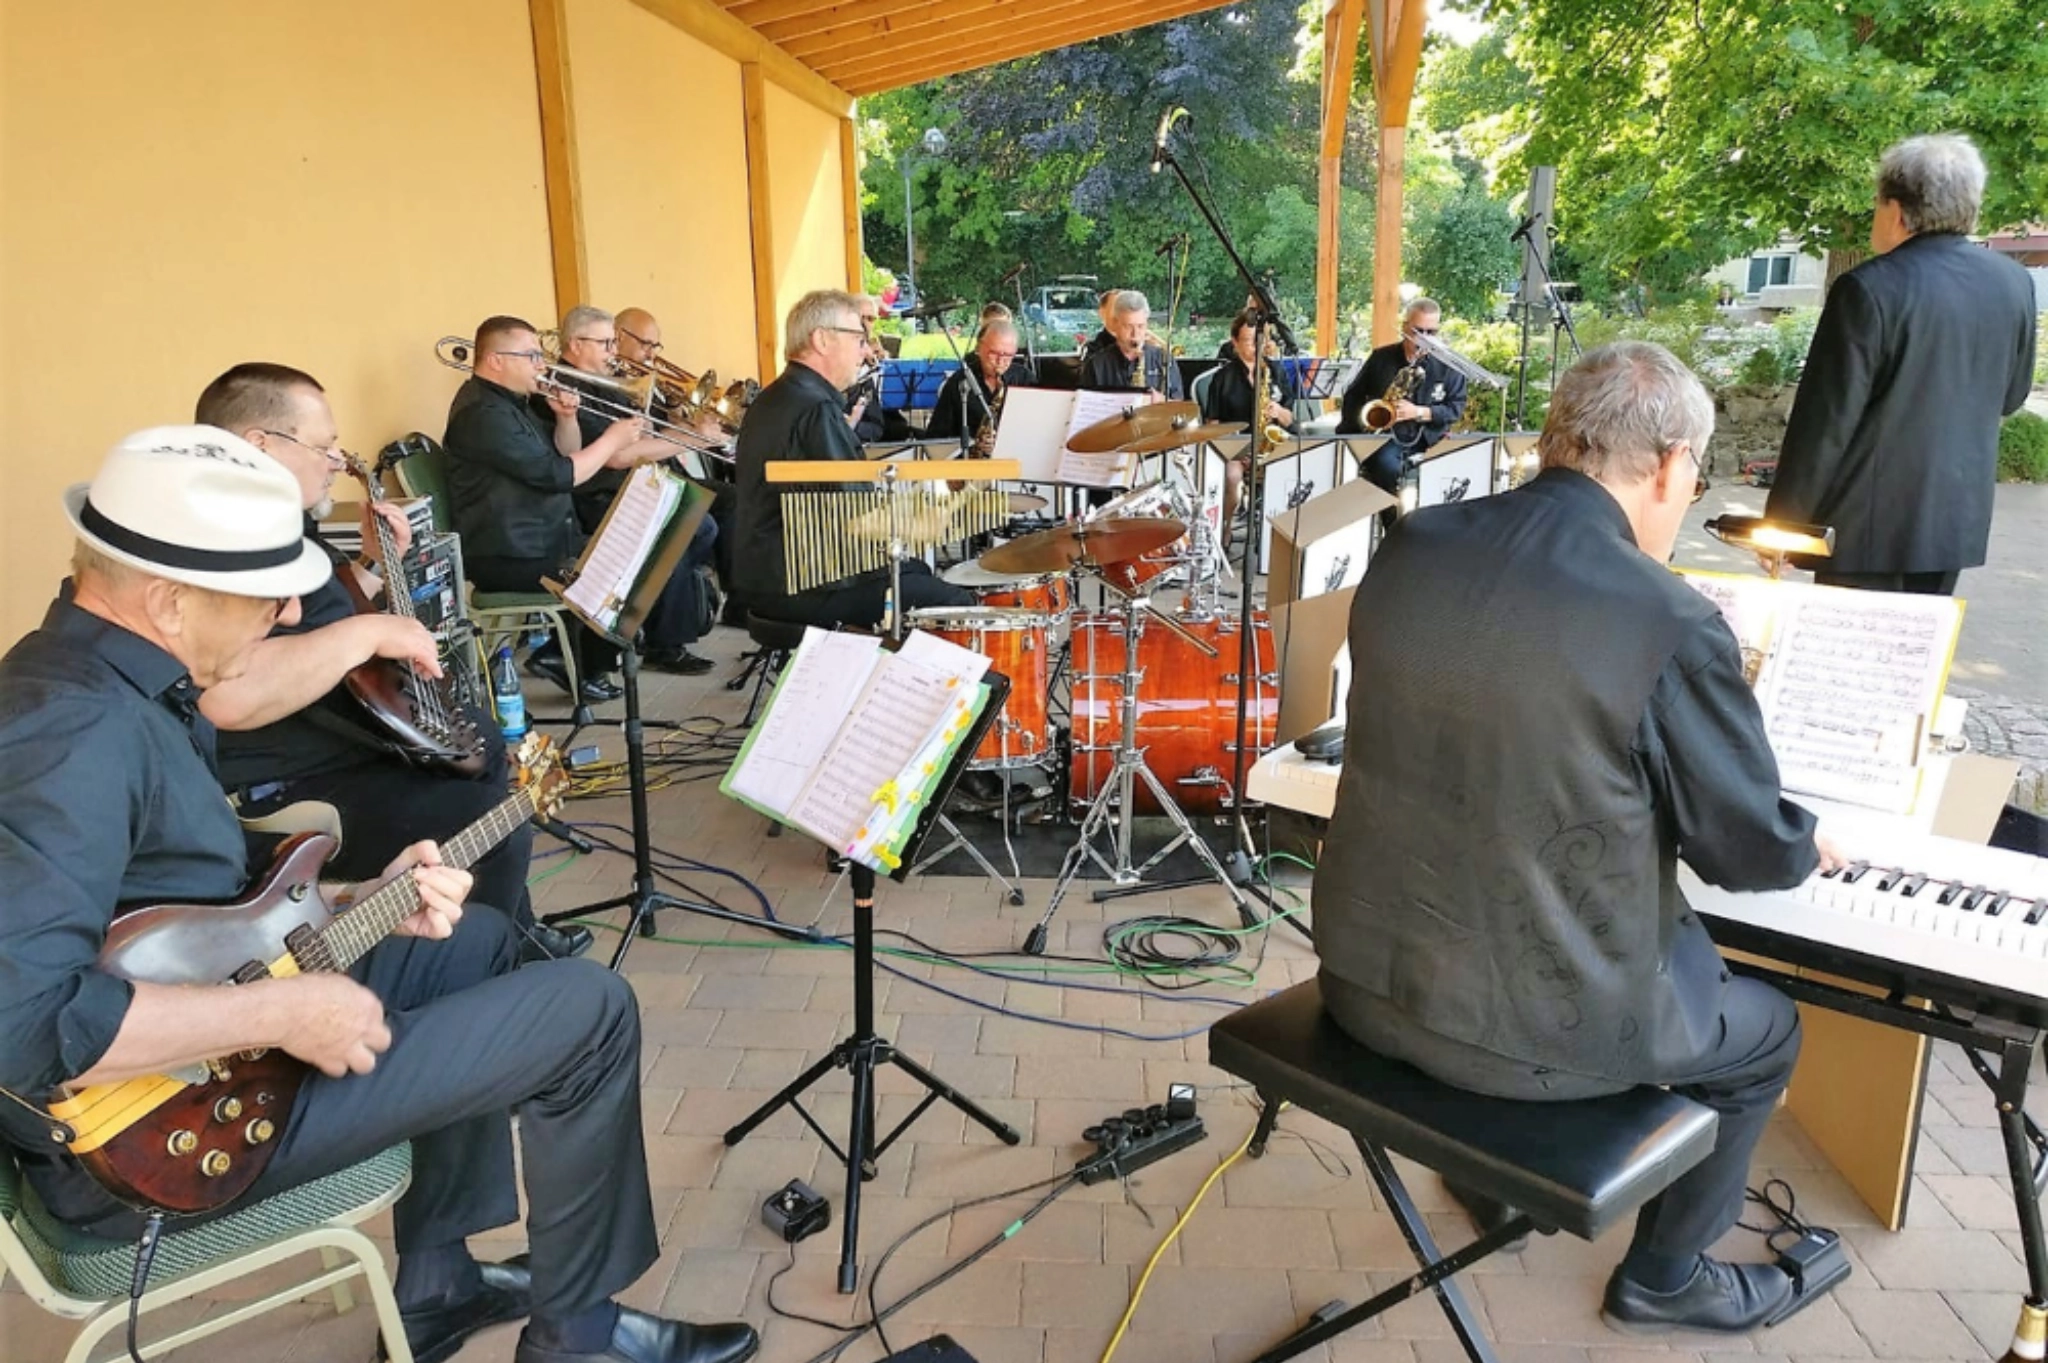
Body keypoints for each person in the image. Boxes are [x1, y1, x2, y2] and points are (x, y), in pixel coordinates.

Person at [0, 428, 758, 1363]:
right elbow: (21, 1023)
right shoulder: (68, 732)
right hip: (155, 1137)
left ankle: (437, 1282)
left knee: (474, 942)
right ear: (167, 599)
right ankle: (580, 1341)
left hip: (208, 1039)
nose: (289, 613)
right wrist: (290, 1009)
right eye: (267, 595)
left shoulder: (120, 681)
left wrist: (358, 895)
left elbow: (175, 897)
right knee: (590, 1011)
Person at [1314, 343, 1846, 1334]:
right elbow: (1744, 854)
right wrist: (1802, 840)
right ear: (1669, 466)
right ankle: (1666, 1274)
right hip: (1536, 1044)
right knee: (1766, 1029)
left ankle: (1492, 1186)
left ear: (1560, 438)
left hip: (1362, 982)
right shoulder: (1668, 616)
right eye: (1692, 482)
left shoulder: (1415, 543)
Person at [194, 363, 590, 963]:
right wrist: (370, 630)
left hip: (337, 743)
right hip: (281, 785)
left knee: (480, 741)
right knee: (483, 815)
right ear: (260, 446)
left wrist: (374, 567)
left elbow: (316, 623)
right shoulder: (218, 540)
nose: (336, 459)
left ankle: (509, 930)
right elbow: (229, 694)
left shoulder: (280, 525)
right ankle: (484, 959)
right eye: (323, 446)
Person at [1767, 133, 2037, 595]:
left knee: (1853, 642)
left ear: (1896, 209)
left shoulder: (1868, 288)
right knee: (1922, 641)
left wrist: (1783, 524)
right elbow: (2012, 397)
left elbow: (1825, 421)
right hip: (1954, 522)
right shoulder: (2014, 282)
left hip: (1864, 529)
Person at [732, 289, 973, 627]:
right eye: (858, 339)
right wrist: (931, 514)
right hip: (805, 581)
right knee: (954, 604)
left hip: (770, 574)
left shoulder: (777, 397)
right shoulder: (815, 408)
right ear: (821, 340)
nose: (865, 351)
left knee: (915, 572)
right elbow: (857, 510)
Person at [440, 315, 650, 703]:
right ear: (496, 360)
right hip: (507, 554)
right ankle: (571, 661)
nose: (542, 364)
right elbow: (559, 476)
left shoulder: (513, 403)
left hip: (541, 540)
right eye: (532, 356)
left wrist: (565, 418)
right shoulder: (483, 415)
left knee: (632, 558)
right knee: (612, 572)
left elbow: (566, 452)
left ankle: (577, 658)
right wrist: (612, 439)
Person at [554, 306, 718, 675]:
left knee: (698, 525)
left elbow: (639, 440)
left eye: (614, 342)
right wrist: (694, 440)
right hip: (593, 496)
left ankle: (655, 617)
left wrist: (687, 426)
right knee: (681, 529)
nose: (613, 352)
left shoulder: (603, 381)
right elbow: (616, 457)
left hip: (628, 485)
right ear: (575, 344)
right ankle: (664, 639)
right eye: (605, 343)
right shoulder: (566, 387)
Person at [1337, 298, 1469, 501]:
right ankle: (1392, 518)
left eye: (1431, 332)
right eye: (1418, 331)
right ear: (1405, 328)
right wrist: (1360, 430)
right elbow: (1353, 396)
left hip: (1431, 440)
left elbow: (1456, 408)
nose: (1424, 339)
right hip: (1387, 438)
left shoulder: (1449, 365)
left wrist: (1418, 412)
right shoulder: (1381, 358)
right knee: (1385, 467)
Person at [1199, 307, 1300, 540]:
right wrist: (1236, 450)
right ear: (1234, 342)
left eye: (1258, 340)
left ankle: (1278, 535)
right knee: (1232, 477)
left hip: (1272, 446)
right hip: (1236, 449)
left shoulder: (1276, 371)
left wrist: (1278, 411)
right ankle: (1223, 529)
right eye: (1247, 341)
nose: (1255, 346)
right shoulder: (1223, 377)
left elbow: (1290, 418)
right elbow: (1213, 424)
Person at [926, 318, 1032, 450]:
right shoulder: (959, 381)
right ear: (979, 347)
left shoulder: (1025, 379)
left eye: (1008, 355)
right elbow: (935, 437)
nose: (1000, 361)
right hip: (969, 460)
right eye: (994, 353)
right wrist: (972, 444)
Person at [1079, 290, 1182, 398]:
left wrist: (1160, 401)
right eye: (1128, 327)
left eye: (1140, 326)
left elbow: (1179, 404)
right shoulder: (1096, 365)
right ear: (1115, 324)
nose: (1135, 334)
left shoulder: (1164, 360)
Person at [845, 294, 907, 444]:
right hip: (852, 413)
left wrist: (883, 362)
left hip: (874, 409)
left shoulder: (875, 345)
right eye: (862, 318)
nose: (866, 324)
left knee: (903, 428)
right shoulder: (843, 349)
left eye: (871, 319)